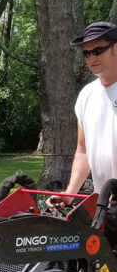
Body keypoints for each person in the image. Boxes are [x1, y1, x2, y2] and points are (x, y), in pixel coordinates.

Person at [47, 21, 117, 229]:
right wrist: (69, 194)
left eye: (98, 50)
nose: (91, 58)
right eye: (86, 53)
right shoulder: (87, 95)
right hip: (105, 203)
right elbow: (83, 151)